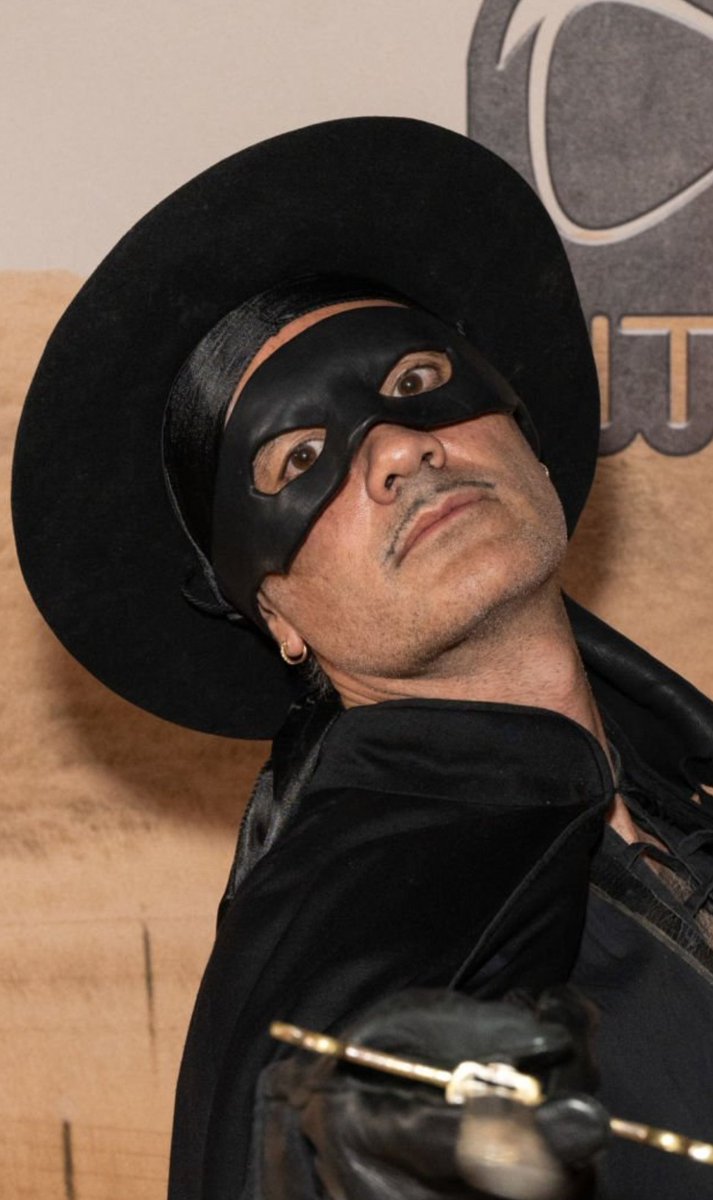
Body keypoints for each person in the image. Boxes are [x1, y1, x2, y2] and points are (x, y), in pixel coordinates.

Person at [12, 118, 713, 1200]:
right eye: (297, 458)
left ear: (523, 435)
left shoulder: (678, 794)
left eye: (418, 377)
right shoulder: (346, 979)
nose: (394, 446)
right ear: (273, 613)